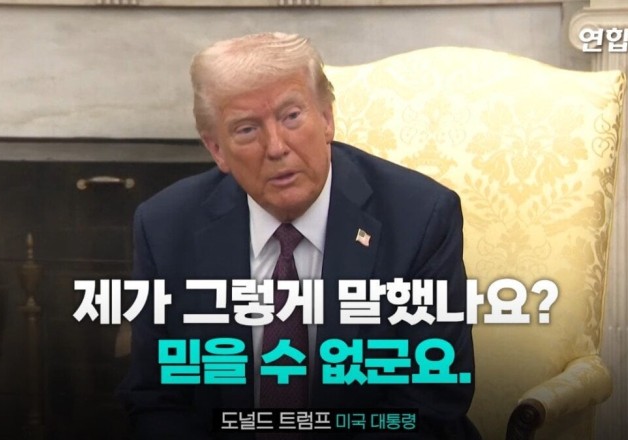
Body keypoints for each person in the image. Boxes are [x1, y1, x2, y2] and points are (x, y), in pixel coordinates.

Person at [118, 32, 479, 439]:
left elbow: (431, 400)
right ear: (216, 148)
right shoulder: (165, 227)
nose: (276, 147)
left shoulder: (420, 217)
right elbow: (156, 396)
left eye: (291, 116)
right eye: (246, 129)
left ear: (326, 118)